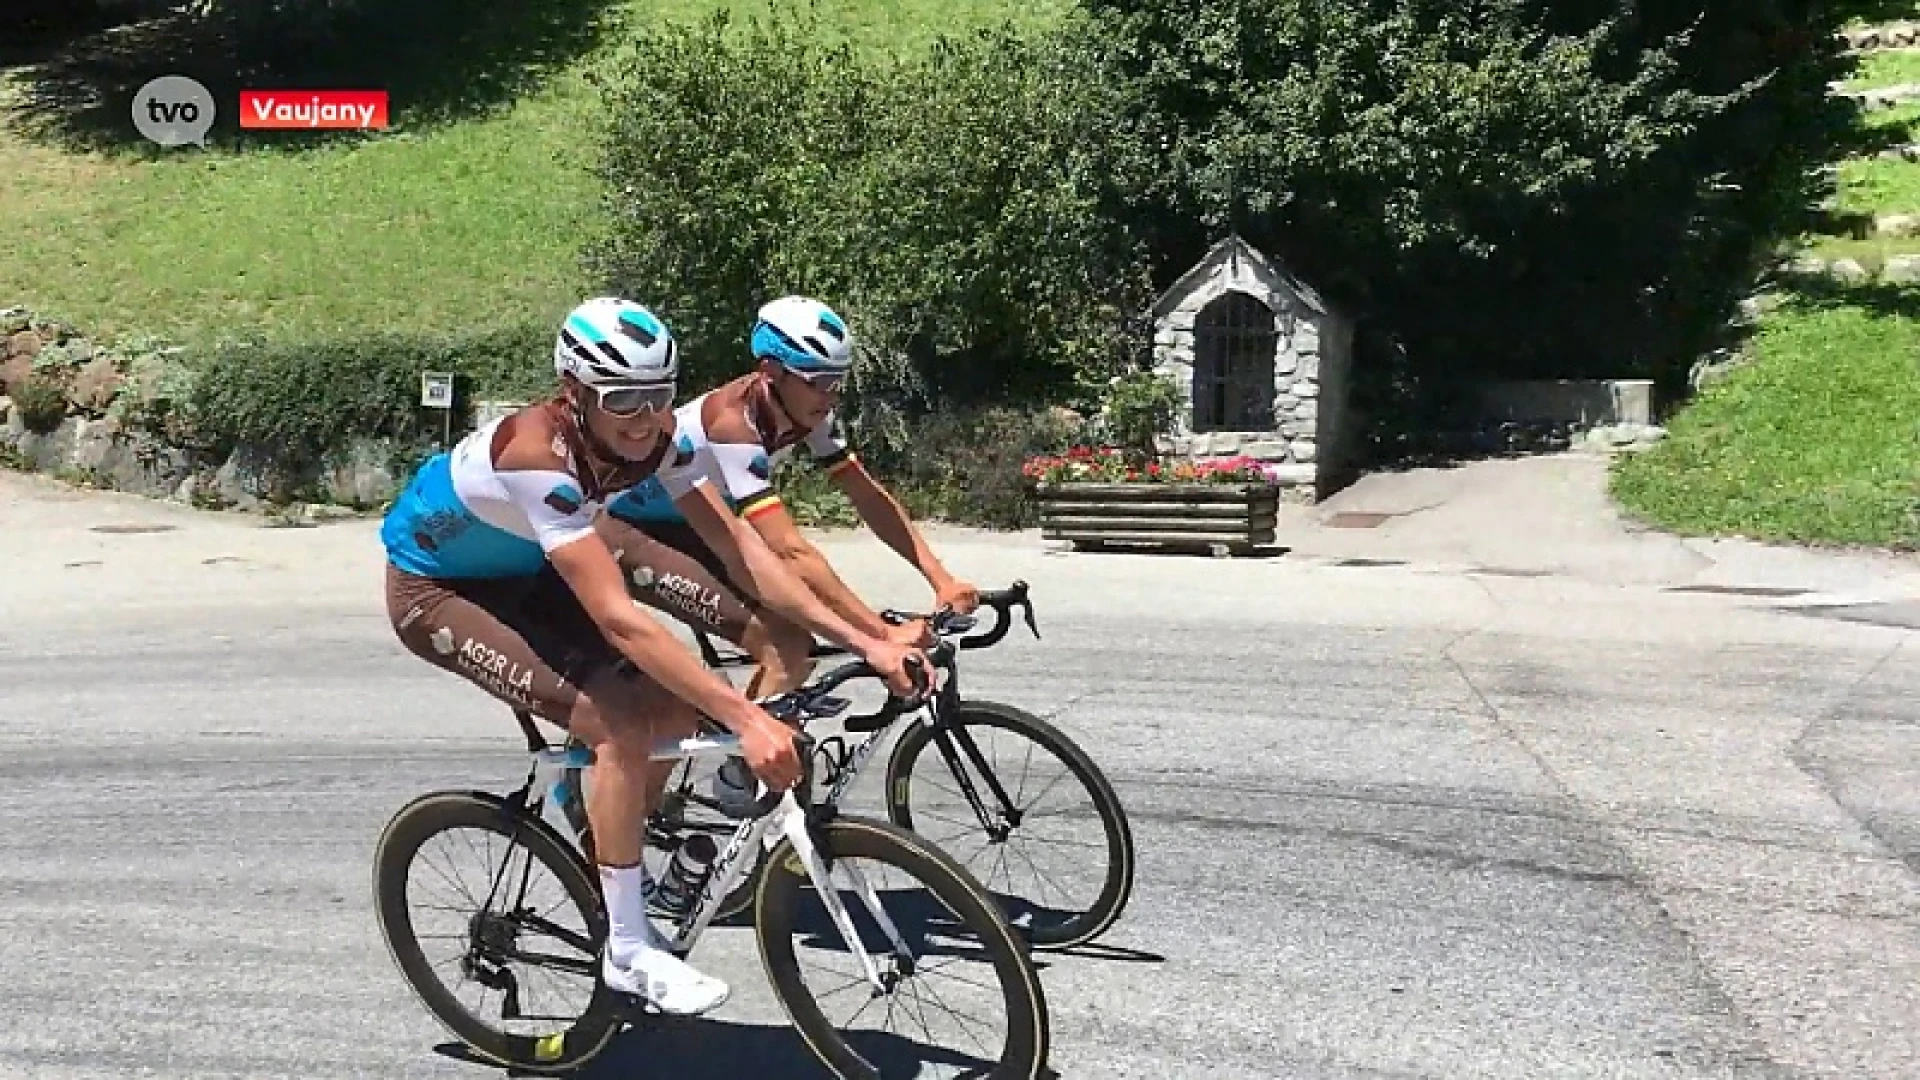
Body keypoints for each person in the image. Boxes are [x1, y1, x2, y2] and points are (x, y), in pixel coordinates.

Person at [379, 296, 927, 1017]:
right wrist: (747, 719)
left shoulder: (664, 439)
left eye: (660, 395)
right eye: (623, 399)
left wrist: (869, 642)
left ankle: (605, 823)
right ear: (575, 393)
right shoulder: (537, 458)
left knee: (670, 707)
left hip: (522, 571)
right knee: (619, 723)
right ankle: (629, 950)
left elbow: (743, 551)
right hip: (436, 590)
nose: (644, 417)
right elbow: (620, 618)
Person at [594, 295, 981, 814]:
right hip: (633, 530)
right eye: (817, 379)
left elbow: (865, 494)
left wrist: (940, 576)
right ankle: (685, 791)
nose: (830, 393)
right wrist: (877, 634)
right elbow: (788, 549)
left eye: (838, 379)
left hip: (701, 522)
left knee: (793, 638)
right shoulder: (734, 423)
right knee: (786, 642)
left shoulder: (807, 409)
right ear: (772, 371)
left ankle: (742, 759)